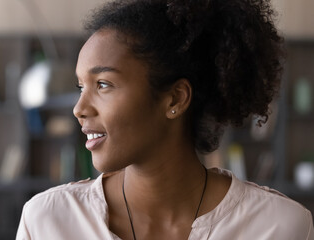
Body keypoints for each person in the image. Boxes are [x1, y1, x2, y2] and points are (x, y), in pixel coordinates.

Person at [16, 0, 314, 239]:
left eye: (103, 84)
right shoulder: (47, 221)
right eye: (81, 87)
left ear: (175, 99)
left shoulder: (280, 227)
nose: (79, 108)